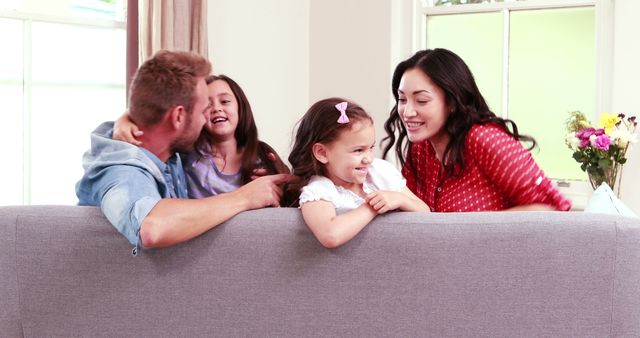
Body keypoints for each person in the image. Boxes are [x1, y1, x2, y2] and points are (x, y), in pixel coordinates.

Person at [76, 51, 293, 254]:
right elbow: (152, 227)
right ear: (178, 117)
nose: (204, 118)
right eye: (202, 110)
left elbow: (154, 109)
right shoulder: (121, 170)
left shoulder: (167, 154)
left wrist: (126, 118)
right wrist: (244, 198)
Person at [381, 48, 571, 212]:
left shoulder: (485, 139)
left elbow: (550, 208)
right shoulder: (420, 149)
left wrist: (473, 231)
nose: (407, 112)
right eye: (402, 99)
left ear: (452, 102)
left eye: (421, 100)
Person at [113, 74, 290, 198]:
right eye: (207, 104)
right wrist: (125, 118)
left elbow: (290, 194)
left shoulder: (261, 155)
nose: (217, 108)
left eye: (225, 101)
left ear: (240, 108)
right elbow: (159, 112)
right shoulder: (188, 150)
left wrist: (280, 179)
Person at [287, 97, 429, 248]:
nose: (368, 158)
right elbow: (330, 235)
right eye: (358, 150)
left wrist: (400, 199)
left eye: (371, 148)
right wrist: (372, 207)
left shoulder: (379, 172)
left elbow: (425, 213)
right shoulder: (319, 190)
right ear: (322, 153)